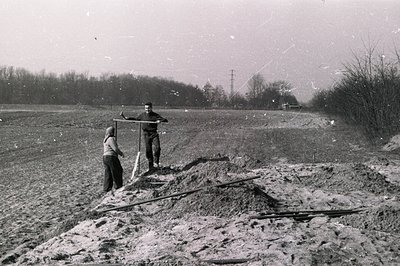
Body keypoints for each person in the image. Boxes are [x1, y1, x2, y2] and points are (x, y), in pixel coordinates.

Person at [120, 102, 168, 171]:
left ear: (151, 108)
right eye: (146, 108)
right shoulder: (142, 115)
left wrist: (159, 120)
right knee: (148, 150)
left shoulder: (155, 115)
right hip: (146, 134)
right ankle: (150, 166)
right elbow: (136, 120)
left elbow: (165, 120)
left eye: (148, 108)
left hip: (154, 134)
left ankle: (156, 162)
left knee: (157, 147)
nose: (147, 109)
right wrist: (125, 117)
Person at [103, 126, 124, 193]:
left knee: (108, 173)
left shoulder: (105, 139)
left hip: (105, 157)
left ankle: (107, 189)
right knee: (117, 171)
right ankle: (118, 187)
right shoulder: (111, 139)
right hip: (111, 157)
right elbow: (115, 149)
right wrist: (121, 153)